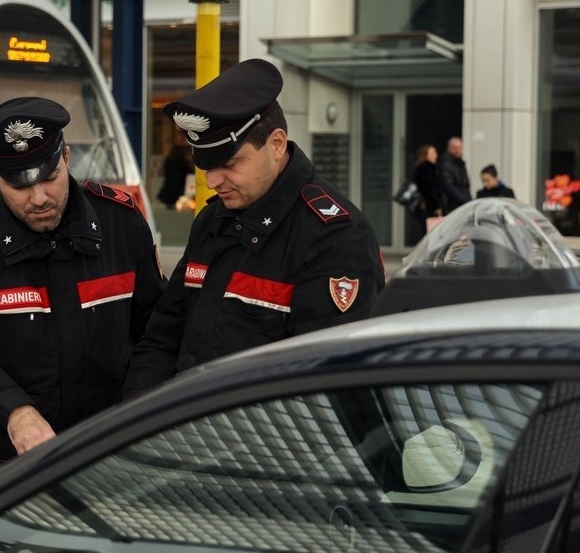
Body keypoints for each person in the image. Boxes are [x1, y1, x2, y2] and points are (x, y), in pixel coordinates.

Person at [0, 96, 166, 473]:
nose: (38, 199)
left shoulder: (122, 223)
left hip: (115, 458)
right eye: (19, 186)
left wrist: (134, 412)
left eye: (49, 179)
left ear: (66, 158)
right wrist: (15, 412)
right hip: (9, 465)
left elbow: (157, 331)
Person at [123, 59, 385, 398]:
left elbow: (323, 385)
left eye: (229, 164)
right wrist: (135, 418)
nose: (212, 181)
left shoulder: (335, 237)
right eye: (204, 166)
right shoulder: (214, 219)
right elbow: (164, 336)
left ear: (276, 144)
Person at [412, 144, 444, 238]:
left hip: (428, 207)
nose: (436, 155)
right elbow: (428, 190)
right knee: (430, 233)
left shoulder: (431, 169)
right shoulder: (425, 169)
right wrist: (436, 206)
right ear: (426, 155)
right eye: (433, 153)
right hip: (428, 208)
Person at [437, 136, 472, 213]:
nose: (458, 150)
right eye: (455, 148)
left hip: (462, 204)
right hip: (453, 206)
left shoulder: (460, 164)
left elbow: (466, 184)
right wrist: (465, 200)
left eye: (460, 147)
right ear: (449, 149)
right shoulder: (446, 165)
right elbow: (449, 187)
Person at [157, 141, 193, 208]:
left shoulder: (168, 159)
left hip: (170, 183)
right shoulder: (181, 160)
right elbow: (187, 170)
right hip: (179, 183)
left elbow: (165, 171)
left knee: (169, 203)